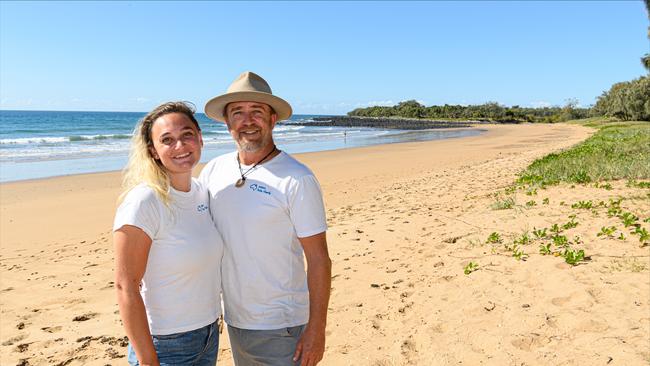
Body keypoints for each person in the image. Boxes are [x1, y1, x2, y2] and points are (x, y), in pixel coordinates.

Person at [200, 72, 332, 366]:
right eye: (238, 113)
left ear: (273, 119)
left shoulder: (297, 178)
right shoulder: (213, 171)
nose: (247, 120)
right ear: (227, 122)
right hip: (235, 319)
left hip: (282, 324)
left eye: (256, 112)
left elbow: (319, 259)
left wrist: (316, 330)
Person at [113, 102, 224, 366]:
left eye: (187, 135)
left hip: (208, 334)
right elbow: (125, 285)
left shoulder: (201, 192)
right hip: (166, 344)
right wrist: (148, 360)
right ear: (153, 151)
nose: (180, 146)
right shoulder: (145, 201)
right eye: (167, 140)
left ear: (199, 138)